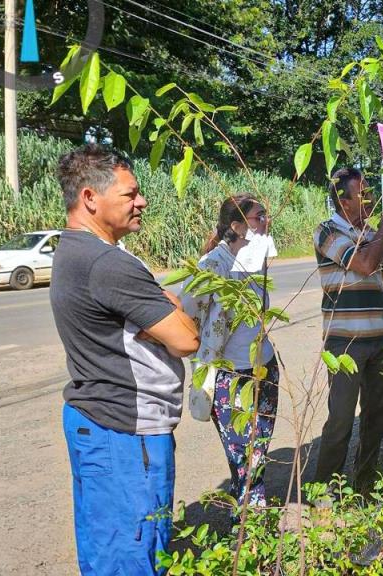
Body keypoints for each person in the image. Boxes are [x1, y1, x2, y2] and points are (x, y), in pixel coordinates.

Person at [50, 145, 200, 575]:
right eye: (129, 194)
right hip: (125, 432)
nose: (142, 202)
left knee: (107, 548)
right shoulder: (106, 263)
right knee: (131, 555)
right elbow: (186, 339)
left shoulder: (75, 249)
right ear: (90, 198)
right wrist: (168, 308)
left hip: (100, 422)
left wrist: (161, 305)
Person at [182, 194, 279, 519]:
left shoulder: (251, 261)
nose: (265, 221)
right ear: (236, 226)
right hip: (231, 377)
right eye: (258, 217)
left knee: (258, 451)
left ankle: (251, 521)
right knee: (243, 457)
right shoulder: (213, 265)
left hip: (263, 368)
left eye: (265, 215)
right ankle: (252, 527)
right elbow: (187, 313)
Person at [312, 167, 383, 494]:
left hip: (382, 340)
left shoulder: (371, 231)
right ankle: (322, 493)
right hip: (345, 343)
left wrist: (381, 298)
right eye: (362, 193)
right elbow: (363, 264)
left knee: (378, 415)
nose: (370, 198)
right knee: (341, 421)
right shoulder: (327, 231)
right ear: (343, 201)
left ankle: (364, 484)